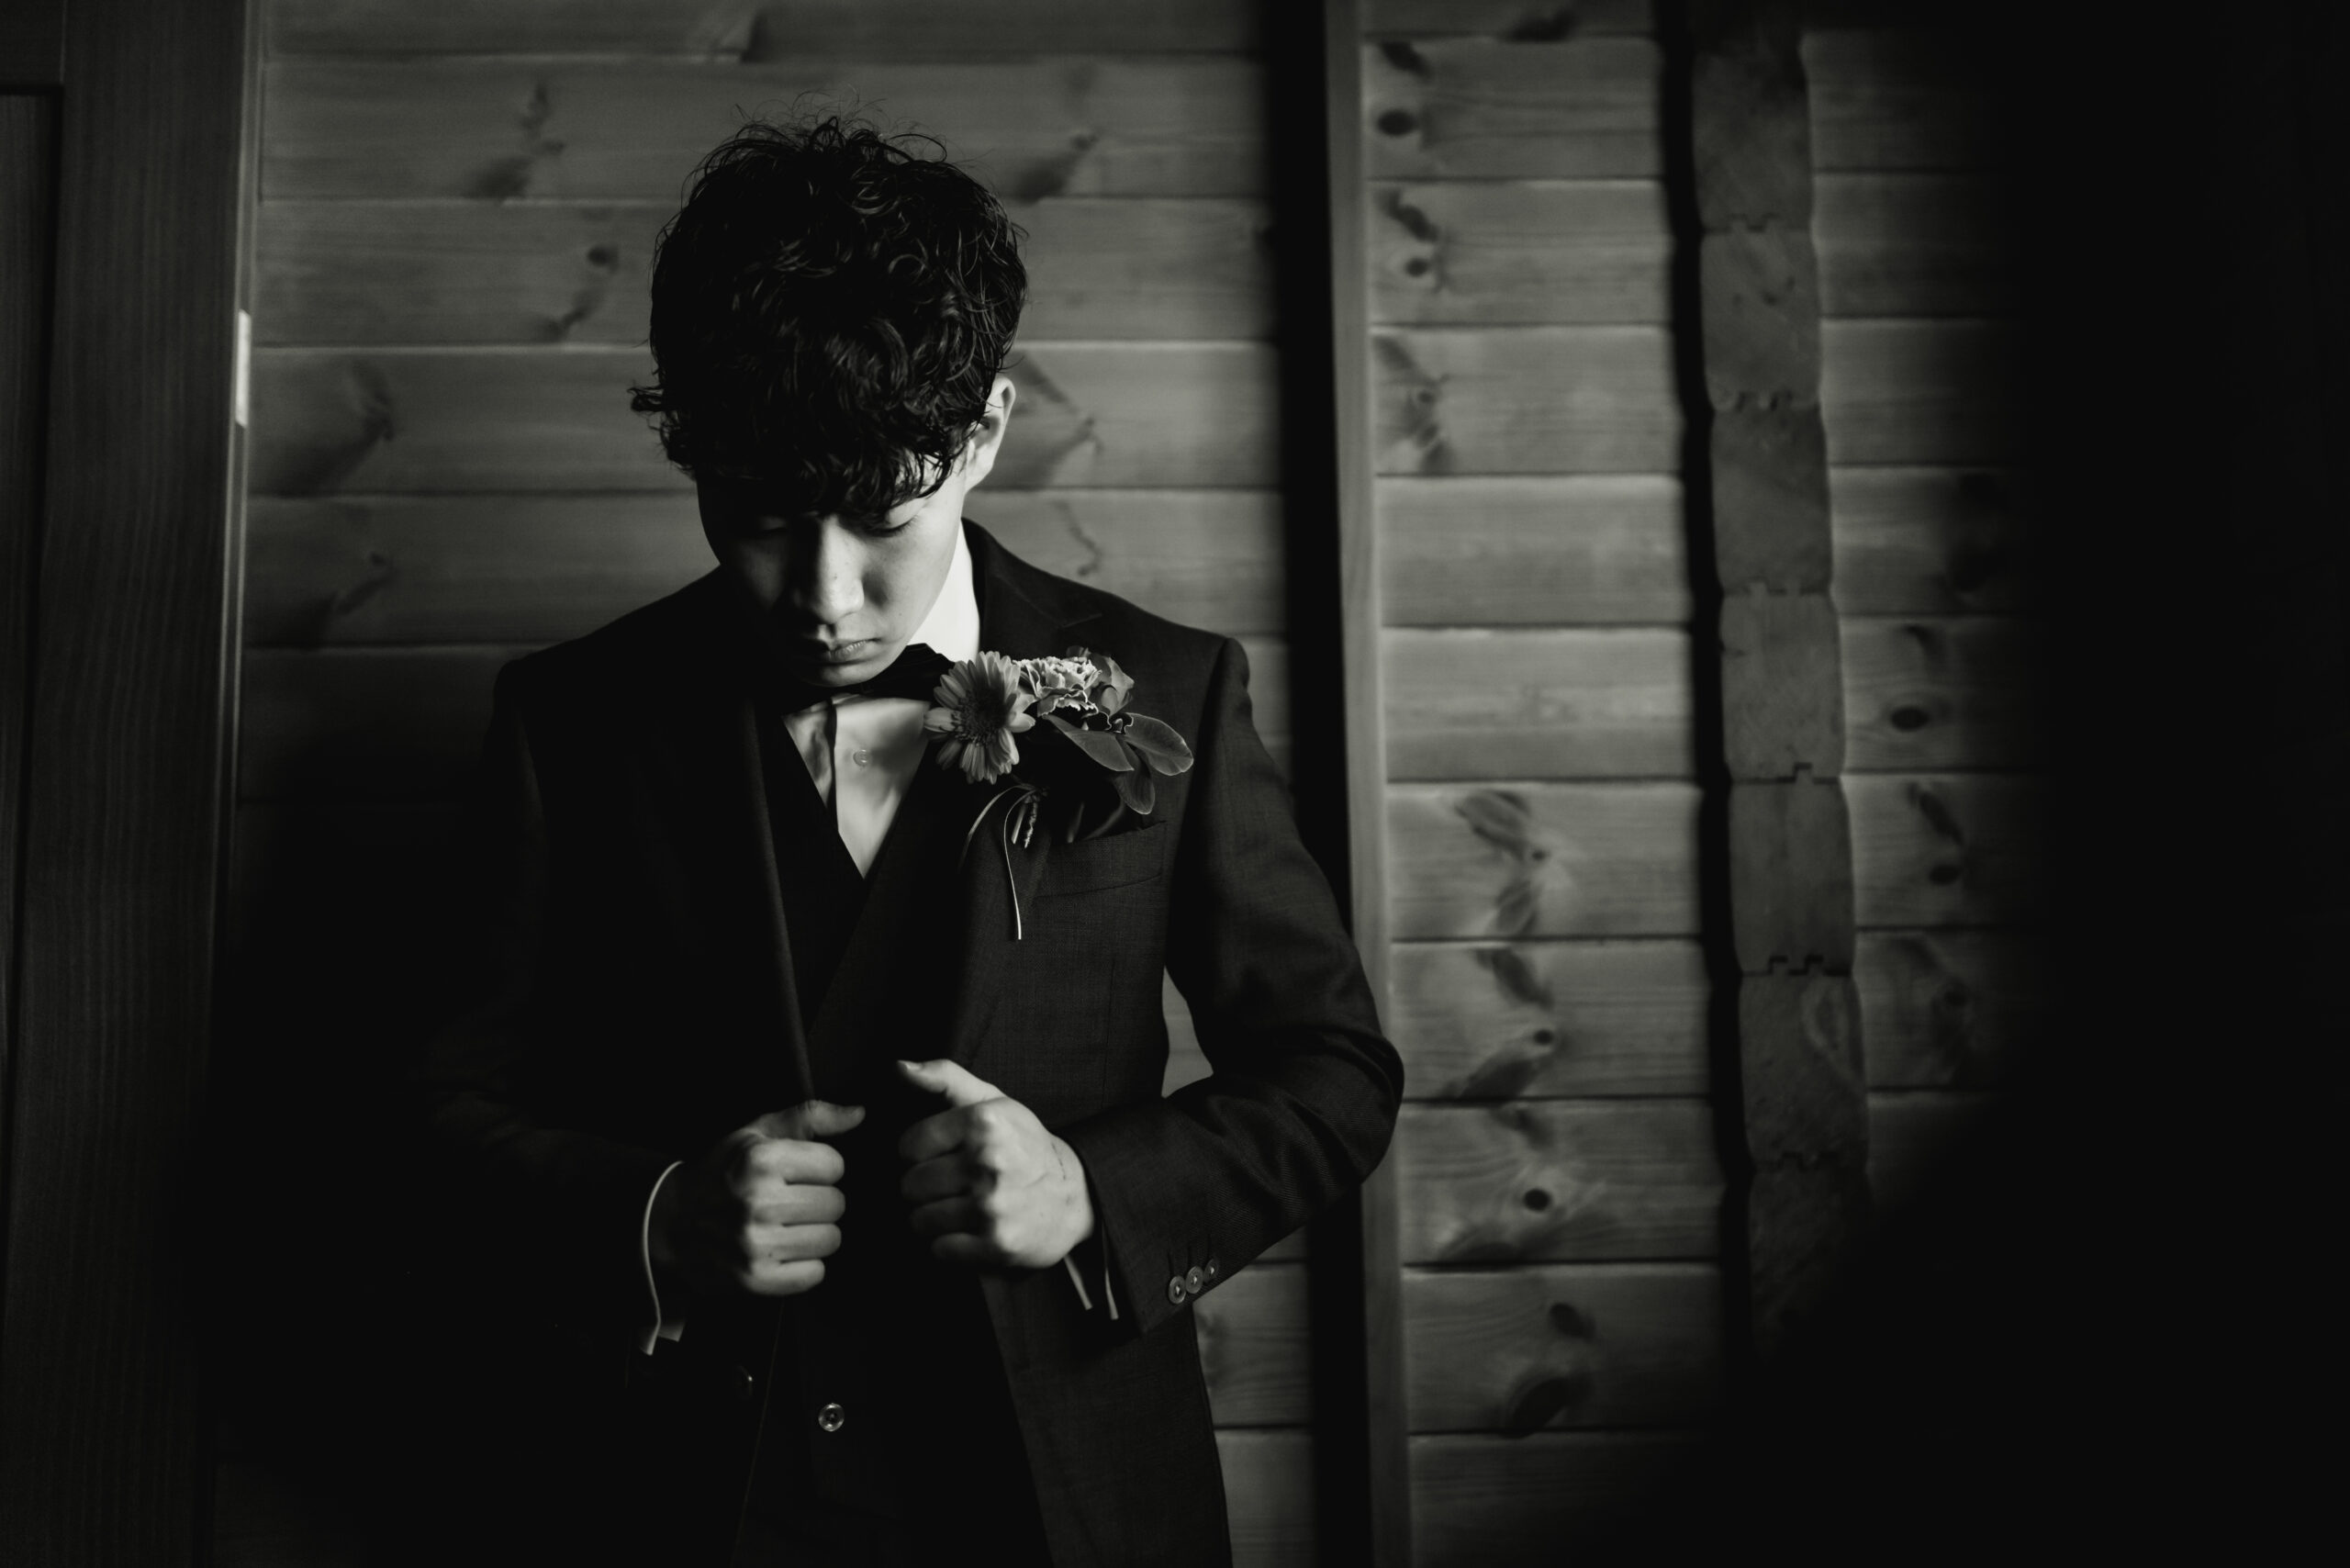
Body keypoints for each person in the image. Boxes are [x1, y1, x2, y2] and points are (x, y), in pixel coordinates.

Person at [418, 115, 1399, 1566]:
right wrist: (659, 1219)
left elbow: (1334, 1075)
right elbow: (439, 1112)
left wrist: (1090, 1194)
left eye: (883, 515)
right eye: (760, 518)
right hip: (684, 1505)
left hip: (1067, 1507)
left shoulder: (1172, 689)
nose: (825, 597)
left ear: (984, 431)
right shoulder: (568, 723)